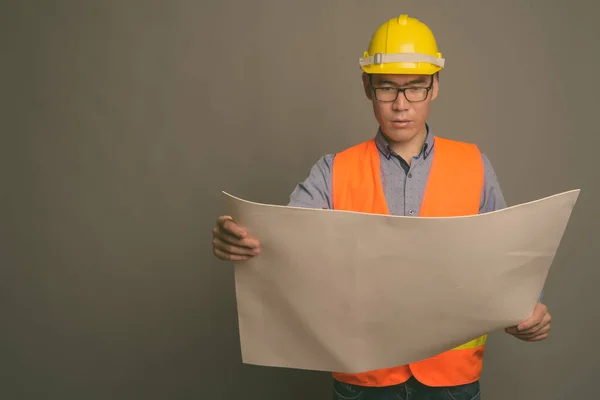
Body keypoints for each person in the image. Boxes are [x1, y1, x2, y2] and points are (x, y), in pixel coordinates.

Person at [212, 14, 551, 400]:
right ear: (367, 87)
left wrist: (529, 310)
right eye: (387, 88)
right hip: (364, 383)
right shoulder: (333, 171)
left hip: (452, 382)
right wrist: (237, 235)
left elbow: (507, 263)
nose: (401, 104)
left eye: (415, 88)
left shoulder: (474, 165)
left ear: (435, 86)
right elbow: (282, 242)